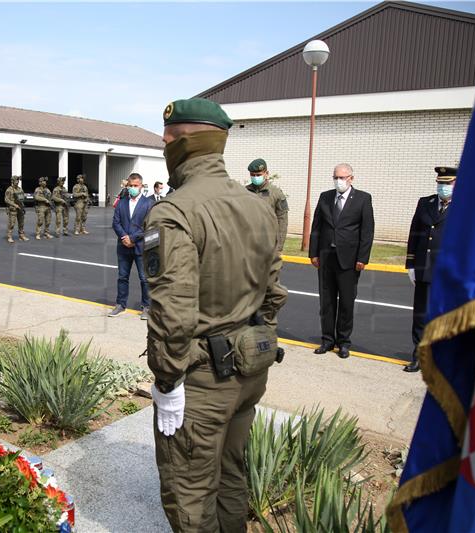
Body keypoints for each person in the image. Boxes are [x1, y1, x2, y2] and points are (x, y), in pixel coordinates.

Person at [146, 98, 283, 532]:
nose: (165, 149)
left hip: (203, 380)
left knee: (190, 492)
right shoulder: (259, 205)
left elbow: (173, 312)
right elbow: (273, 292)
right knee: (231, 474)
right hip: (250, 369)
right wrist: (258, 343)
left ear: (183, 144)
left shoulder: (174, 212)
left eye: (167, 141)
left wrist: (168, 381)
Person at [309, 163, 374, 359]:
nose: (339, 181)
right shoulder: (325, 197)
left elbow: (367, 230)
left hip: (349, 260)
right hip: (326, 258)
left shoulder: (363, 199)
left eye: (342, 177)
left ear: (351, 178)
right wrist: (314, 253)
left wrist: (363, 257)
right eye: (336, 177)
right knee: (327, 302)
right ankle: (327, 339)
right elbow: (317, 227)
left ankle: (344, 342)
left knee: (346, 303)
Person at [403, 166, 457, 373]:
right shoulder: (425, 203)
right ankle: (418, 355)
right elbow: (415, 233)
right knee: (421, 315)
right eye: (440, 183)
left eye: (446, 183)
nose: (442, 187)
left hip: (446, 272)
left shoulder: (464, 206)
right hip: (424, 268)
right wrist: (411, 264)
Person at [245, 158, 289, 361]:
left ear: (266, 173)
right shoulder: (244, 192)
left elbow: (282, 221)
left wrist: (278, 248)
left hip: (268, 253)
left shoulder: (275, 194)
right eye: (253, 175)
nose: (255, 178)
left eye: (258, 174)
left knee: (269, 296)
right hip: (247, 253)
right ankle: (249, 340)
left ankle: (270, 342)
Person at [108, 173, 154, 319]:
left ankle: (146, 307)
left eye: (136, 186)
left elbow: (149, 225)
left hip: (140, 246)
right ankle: (120, 305)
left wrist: (133, 238)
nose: (133, 188)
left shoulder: (148, 204)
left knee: (144, 278)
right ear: (127, 186)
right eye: (131, 186)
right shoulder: (121, 202)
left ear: (141, 186)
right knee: (122, 277)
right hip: (123, 247)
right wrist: (124, 237)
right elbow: (116, 222)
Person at [4, 175, 28, 243]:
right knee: (12, 223)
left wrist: (23, 207)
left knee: (21, 223)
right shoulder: (9, 190)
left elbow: (21, 199)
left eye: (18, 181)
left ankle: (21, 235)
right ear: (12, 181)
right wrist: (14, 205)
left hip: (20, 208)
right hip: (13, 209)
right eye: (15, 181)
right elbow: (6, 199)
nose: (17, 182)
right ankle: (9, 236)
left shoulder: (20, 189)